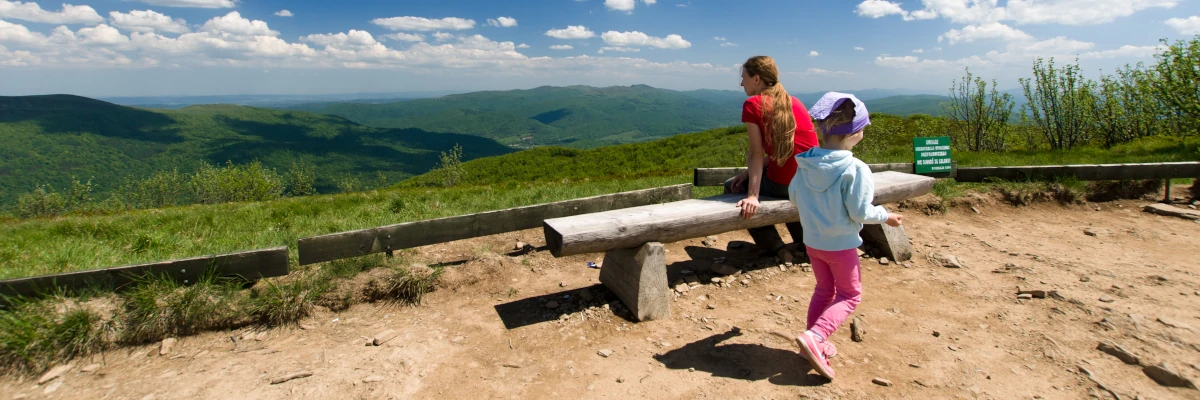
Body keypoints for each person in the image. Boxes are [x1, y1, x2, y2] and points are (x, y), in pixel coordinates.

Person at [787, 92, 903, 380]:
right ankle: (816, 336)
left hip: (813, 242)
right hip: (841, 245)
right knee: (850, 295)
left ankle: (811, 344)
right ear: (855, 132)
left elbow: (793, 196)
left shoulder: (805, 163)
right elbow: (860, 211)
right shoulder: (855, 168)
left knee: (824, 290)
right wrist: (885, 216)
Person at [726, 55, 819, 264]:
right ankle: (805, 243)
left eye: (744, 78)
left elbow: (756, 153)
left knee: (731, 187)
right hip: (812, 181)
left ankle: (776, 249)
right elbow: (789, 152)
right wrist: (748, 173)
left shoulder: (753, 104)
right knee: (787, 191)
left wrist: (752, 196)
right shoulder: (793, 102)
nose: (742, 83)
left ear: (756, 79)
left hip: (787, 185)